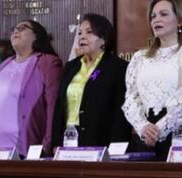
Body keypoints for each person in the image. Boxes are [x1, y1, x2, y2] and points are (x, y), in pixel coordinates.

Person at [123, 0, 182, 159]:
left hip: (181, 133)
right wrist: (143, 127)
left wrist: (159, 130)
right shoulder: (139, 57)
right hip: (145, 136)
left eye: (164, 14)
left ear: (180, 20)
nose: (156, 19)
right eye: (153, 16)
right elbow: (131, 98)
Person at [0, 19, 62, 156]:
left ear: (36, 36)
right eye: (14, 29)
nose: (16, 31)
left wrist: (48, 142)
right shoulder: (5, 63)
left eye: (22, 28)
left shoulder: (47, 62)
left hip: (22, 151)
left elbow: (53, 106)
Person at [51, 14, 131, 148]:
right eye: (80, 33)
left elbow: (121, 112)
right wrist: (55, 143)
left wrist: (117, 146)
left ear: (103, 39)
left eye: (89, 32)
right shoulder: (71, 66)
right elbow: (59, 107)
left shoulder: (117, 67)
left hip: (100, 140)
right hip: (68, 139)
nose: (82, 36)